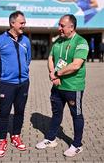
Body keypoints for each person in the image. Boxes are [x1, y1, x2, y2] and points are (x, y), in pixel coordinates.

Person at [36, 14, 89, 157]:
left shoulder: (81, 42)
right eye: (59, 25)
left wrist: (57, 73)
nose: (59, 28)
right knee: (56, 114)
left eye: (62, 25)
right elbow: (51, 58)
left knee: (76, 115)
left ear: (71, 27)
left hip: (73, 87)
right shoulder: (58, 41)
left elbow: (76, 65)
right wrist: (52, 74)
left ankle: (77, 145)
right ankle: (50, 139)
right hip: (57, 87)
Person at [0, 11, 31, 157]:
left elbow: (28, 59)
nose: (24, 25)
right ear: (12, 23)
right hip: (7, 84)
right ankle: (2, 140)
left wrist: (24, 71)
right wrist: (2, 73)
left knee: (19, 111)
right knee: (5, 113)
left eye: (24, 22)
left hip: (24, 83)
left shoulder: (26, 40)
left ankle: (16, 136)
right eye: (21, 22)